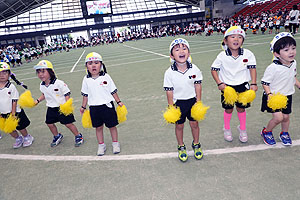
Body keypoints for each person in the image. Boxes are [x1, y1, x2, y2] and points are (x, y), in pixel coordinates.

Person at [211, 26, 258, 143]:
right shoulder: (222, 56)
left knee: (241, 108)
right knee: (228, 109)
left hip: (243, 86)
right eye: (232, 37)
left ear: (243, 40)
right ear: (226, 40)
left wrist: (253, 83)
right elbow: (213, 69)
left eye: (240, 37)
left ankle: (242, 129)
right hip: (227, 88)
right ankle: (226, 128)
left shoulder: (248, 54)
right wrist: (219, 83)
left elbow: (252, 69)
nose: (236, 39)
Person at [163, 38, 203, 162]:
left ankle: (196, 144)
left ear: (189, 52)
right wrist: (171, 107)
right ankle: (181, 146)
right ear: (171, 55)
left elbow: (198, 85)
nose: (181, 51)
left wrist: (199, 102)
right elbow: (169, 90)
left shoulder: (194, 69)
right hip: (178, 103)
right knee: (179, 126)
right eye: (177, 49)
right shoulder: (169, 73)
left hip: (192, 101)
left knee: (194, 124)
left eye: (184, 48)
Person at [80, 52, 124, 156]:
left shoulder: (106, 77)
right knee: (98, 128)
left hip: (107, 106)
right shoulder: (86, 79)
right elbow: (85, 95)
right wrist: (83, 106)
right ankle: (101, 145)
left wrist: (119, 102)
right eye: (90, 63)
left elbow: (113, 91)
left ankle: (115, 143)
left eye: (96, 63)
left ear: (101, 65)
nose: (93, 65)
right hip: (94, 108)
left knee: (112, 126)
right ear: (86, 66)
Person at [261, 32, 300, 146]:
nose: (291, 52)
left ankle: (284, 133)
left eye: (293, 48)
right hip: (273, 97)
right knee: (278, 117)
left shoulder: (293, 63)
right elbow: (265, 82)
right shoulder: (273, 68)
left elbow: (293, 77)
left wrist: (298, 85)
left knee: (286, 117)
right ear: (277, 54)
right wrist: (269, 95)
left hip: (287, 95)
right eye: (286, 50)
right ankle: (266, 132)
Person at [34, 60, 84, 147]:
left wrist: (67, 105)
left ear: (51, 72)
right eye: (38, 72)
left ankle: (78, 136)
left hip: (62, 107)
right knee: (49, 123)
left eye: (43, 71)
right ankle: (57, 136)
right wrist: (37, 100)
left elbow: (67, 94)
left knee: (68, 124)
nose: (40, 74)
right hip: (51, 107)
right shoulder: (41, 85)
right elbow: (44, 94)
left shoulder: (59, 83)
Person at [0, 62, 33, 148]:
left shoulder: (11, 87)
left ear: (9, 74)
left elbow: (14, 100)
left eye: (4, 72)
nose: (2, 75)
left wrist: (13, 113)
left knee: (20, 127)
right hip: (3, 112)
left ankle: (27, 137)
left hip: (15, 112)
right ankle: (18, 138)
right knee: (9, 129)